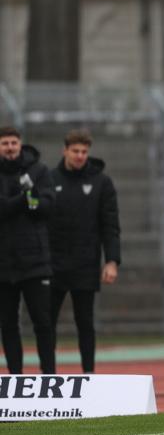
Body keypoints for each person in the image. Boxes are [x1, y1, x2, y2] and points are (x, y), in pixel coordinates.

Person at [48, 129, 121, 374]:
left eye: (84, 151)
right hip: (52, 264)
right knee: (46, 324)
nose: (80, 156)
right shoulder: (49, 179)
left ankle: (89, 375)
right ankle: (48, 375)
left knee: (85, 324)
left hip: (85, 264)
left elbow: (110, 226)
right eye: (75, 151)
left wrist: (111, 261)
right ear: (65, 151)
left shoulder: (102, 182)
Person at [0, 127, 56, 374]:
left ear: (20, 144)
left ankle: (49, 376)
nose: (10, 147)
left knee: (43, 323)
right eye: (4, 143)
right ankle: (15, 378)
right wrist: (25, 199)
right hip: (3, 264)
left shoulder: (39, 170)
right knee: (8, 324)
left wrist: (27, 200)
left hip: (35, 261)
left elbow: (46, 206)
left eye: (13, 142)